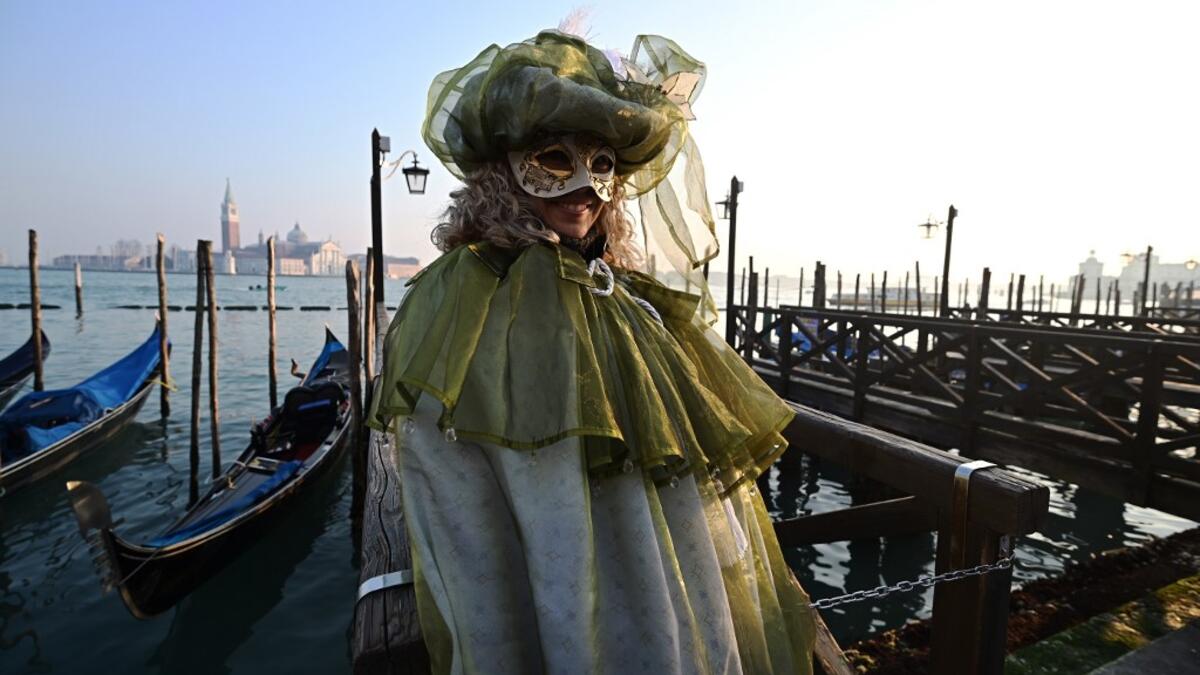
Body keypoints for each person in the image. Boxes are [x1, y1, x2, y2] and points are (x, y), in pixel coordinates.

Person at [369, 26, 815, 675]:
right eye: (554, 158)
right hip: (549, 602)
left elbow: (690, 486)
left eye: (603, 162)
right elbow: (451, 492)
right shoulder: (463, 303)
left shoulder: (628, 299)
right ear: (504, 169)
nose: (585, 184)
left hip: (669, 607)